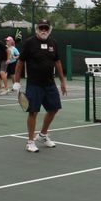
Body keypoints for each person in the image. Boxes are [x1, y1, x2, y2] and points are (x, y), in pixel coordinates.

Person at [13, 19, 68, 153]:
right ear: (37, 29)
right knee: (33, 112)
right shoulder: (29, 43)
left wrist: (62, 81)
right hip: (34, 84)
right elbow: (20, 62)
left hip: (50, 83)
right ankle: (30, 142)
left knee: (54, 108)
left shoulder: (53, 43)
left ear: (49, 29)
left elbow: (57, 62)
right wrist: (17, 81)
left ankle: (42, 135)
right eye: (41, 28)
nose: (43, 30)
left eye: (46, 28)